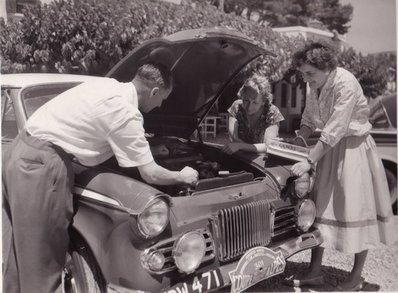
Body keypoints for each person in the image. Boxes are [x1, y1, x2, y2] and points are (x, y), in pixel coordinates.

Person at [2, 63, 199, 293]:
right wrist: (182, 175)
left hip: (20, 153)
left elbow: (101, 130)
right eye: (162, 99)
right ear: (155, 91)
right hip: (43, 164)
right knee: (42, 260)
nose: (161, 105)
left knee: (21, 255)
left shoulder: (107, 86)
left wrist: (150, 149)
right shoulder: (126, 112)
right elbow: (150, 173)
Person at [286, 42, 396, 291]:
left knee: (357, 209)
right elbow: (307, 119)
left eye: (310, 73)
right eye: (303, 73)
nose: (306, 78)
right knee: (320, 208)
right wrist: (299, 140)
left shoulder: (345, 82)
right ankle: (314, 272)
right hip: (330, 150)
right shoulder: (313, 83)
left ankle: (356, 277)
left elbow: (334, 129)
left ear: (326, 67)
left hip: (353, 149)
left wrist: (308, 160)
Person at [221, 73, 284, 155]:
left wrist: (239, 146)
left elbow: (268, 146)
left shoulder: (272, 112)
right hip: (241, 158)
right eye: (246, 100)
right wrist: (240, 146)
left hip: (261, 162)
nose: (249, 107)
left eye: (255, 102)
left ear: (264, 101)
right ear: (242, 96)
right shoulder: (236, 107)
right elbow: (234, 138)